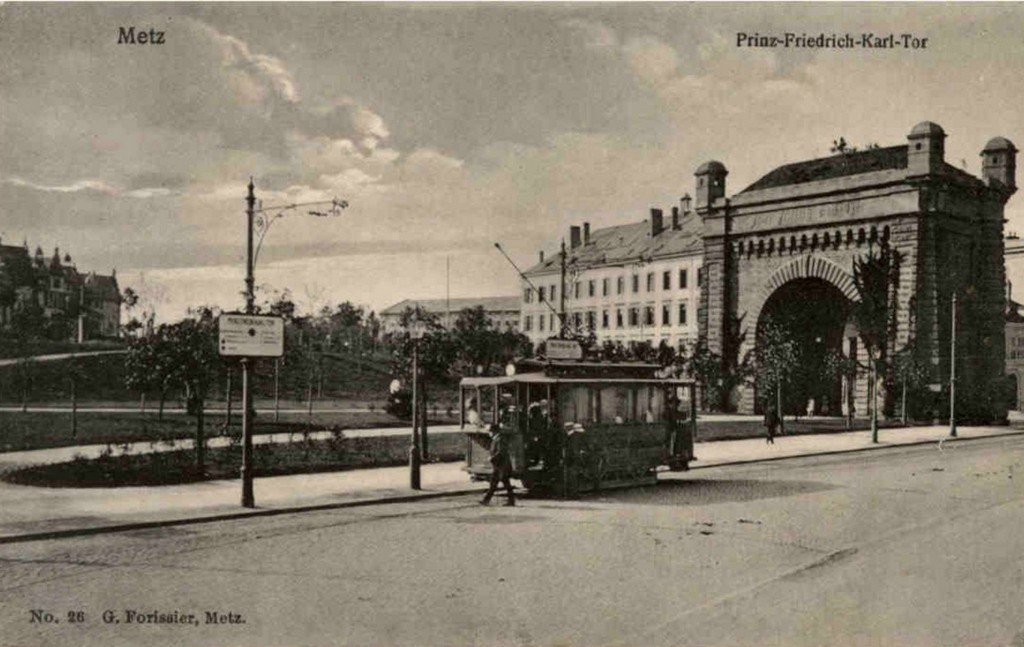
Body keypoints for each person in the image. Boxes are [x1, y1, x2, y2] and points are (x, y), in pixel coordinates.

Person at [481, 424, 516, 506]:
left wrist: (492, 458)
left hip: (502, 466)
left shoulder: (499, 439)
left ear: (494, 431)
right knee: (495, 483)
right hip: (498, 466)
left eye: (490, 431)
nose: (489, 433)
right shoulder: (496, 439)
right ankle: (486, 500)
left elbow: (501, 452)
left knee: (504, 483)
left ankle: (511, 501)